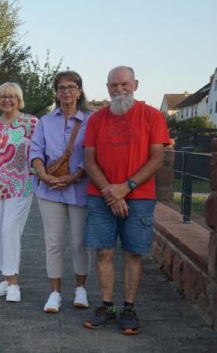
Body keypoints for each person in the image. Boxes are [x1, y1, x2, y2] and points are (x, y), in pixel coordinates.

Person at [82, 66, 169, 335]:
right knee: (104, 251)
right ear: (107, 88)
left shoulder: (152, 116)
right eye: (114, 85)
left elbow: (157, 158)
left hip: (140, 196)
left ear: (135, 84)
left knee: (133, 252)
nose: (119, 90)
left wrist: (126, 187)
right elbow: (89, 159)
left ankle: (129, 307)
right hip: (101, 196)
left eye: (124, 84)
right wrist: (111, 191)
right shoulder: (97, 118)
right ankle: (107, 305)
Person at [30, 71, 91, 313]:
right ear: (55, 92)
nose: (66, 92)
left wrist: (75, 175)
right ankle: (54, 293)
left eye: (71, 87)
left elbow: (93, 153)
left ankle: (80, 289)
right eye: (61, 87)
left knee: (79, 243)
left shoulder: (90, 120)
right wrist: (43, 175)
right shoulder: (45, 121)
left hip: (79, 188)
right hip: (49, 190)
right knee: (53, 242)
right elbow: (35, 151)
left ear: (79, 91)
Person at [0, 82, 38, 303]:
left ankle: (13, 282)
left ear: (19, 99)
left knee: (9, 229)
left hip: (20, 185)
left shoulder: (31, 122)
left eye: (12, 96)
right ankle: (5, 278)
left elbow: (38, 150)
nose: (7, 100)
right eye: (3, 96)